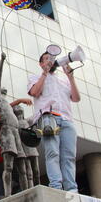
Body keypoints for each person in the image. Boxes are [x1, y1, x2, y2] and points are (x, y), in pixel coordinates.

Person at [28, 51, 81, 192]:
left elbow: (76, 98)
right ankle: (56, 187)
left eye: (52, 59)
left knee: (69, 156)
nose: (50, 61)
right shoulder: (35, 77)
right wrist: (44, 74)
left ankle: (71, 189)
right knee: (53, 154)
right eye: (46, 59)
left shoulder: (63, 80)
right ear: (41, 64)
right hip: (49, 118)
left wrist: (71, 78)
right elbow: (34, 92)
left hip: (67, 120)